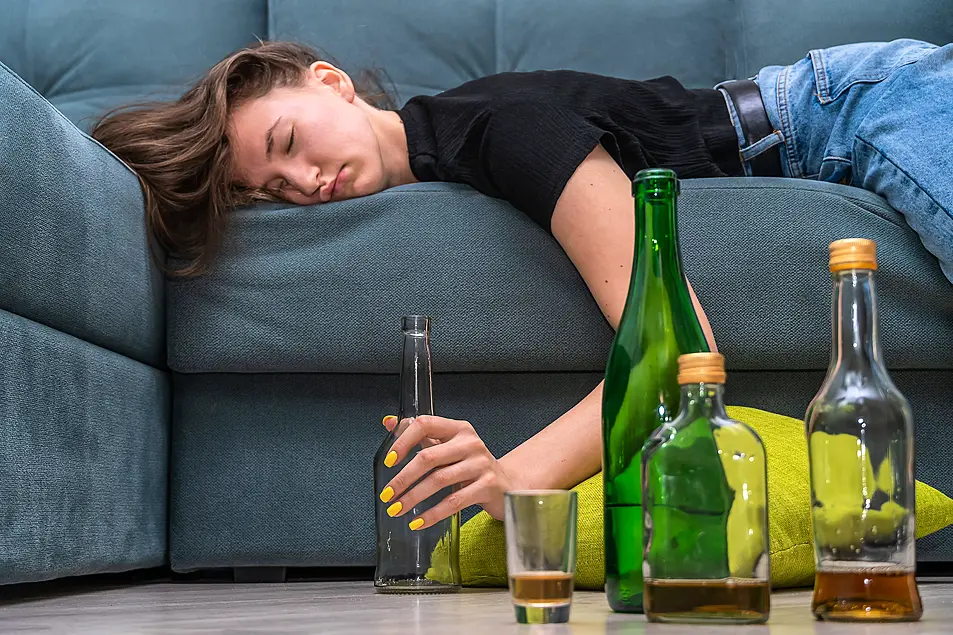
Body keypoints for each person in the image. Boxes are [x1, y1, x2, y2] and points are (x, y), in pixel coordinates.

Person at [92, 38, 952, 532]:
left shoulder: (499, 128)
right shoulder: (445, 167)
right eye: (274, 189)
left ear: (329, 80)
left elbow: (678, 343)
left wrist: (512, 477)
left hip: (849, 109)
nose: (304, 180)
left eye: (288, 143)